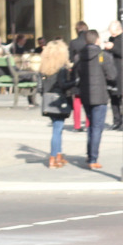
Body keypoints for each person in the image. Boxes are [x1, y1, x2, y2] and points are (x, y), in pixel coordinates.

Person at [73, 29, 117, 170]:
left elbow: (75, 73)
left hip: (85, 95)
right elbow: (111, 75)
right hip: (99, 95)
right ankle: (93, 158)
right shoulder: (101, 55)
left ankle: (89, 154)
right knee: (97, 127)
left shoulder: (79, 56)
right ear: (97, 40)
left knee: (91, 126)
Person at [37, 39, 75, 168]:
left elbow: (40, 88)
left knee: (57, 128)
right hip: (59, 101)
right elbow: (63, 85)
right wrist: (75, 82)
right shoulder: (61, 69)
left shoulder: (43, 68)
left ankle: (58, 155)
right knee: (57, 129)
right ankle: (53, 157)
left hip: (48, 100)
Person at [67, 20, 89, 130]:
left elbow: (70, 58)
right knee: (89, 99)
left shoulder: (73, 42)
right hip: (89, 72)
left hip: (77, 73)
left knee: (77, 99)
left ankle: (77, 124)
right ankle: (89, 123)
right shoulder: (89, 41)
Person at [105, 20, 123, 130]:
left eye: (113, 33)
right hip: (112, 71)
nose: (112, 35)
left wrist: (112, 47)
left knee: (122, 98)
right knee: (113, 98)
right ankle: (116, 120)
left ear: (119, 30)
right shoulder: (111, 39)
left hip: (121, 72)